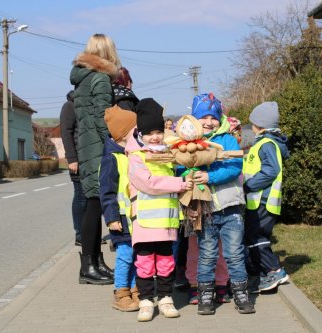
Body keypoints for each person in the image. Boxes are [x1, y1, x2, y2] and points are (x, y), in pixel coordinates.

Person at [126, 98, 193, 322]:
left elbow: (180, 171)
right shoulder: (136, 157)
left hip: (166, 221)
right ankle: (146, 301)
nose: (154, 137)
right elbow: (148, 183)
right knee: (144, 264)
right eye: (149, 133)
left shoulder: (168, 156)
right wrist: (179, 184)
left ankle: (165, 299)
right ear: (141, 134)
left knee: (166, 262)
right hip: (144, 221)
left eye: (158, 131)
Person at [187, 93, 255, 315]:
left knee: (234, 253)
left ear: (220, 118)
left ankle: (241, 293)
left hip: (231, 208)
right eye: (203, 117)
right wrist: (190, 172)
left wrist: (209, 177)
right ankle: (206, 295)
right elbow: (181, 167)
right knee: (206, 254)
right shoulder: (187, 143)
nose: (209, 121)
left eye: (213, 117)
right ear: (195, 119)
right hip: (205, 211)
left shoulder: (226, 139)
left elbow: (234, 167)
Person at [70, 33, 120, 285]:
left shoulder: (82, 78)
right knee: (94, 205)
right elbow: (104, 119)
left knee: (94, 204)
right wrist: (117, 143)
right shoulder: (100, 78)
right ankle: (87, 267)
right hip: (98, 149)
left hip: (86, 148)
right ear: (108, 53)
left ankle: (95, 262)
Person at [243, 101, 290, 292]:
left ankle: (274, 270)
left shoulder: (266, 144)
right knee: (254, 236)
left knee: (256, 237)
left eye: (253, 122)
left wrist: (248, 185)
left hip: (262, 199)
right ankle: (265, 275)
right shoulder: (266, 143)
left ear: (259, 124)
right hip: (259, 200)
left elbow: (271, 170)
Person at [100, 106, 139, 311]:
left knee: (135, 254)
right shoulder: (111, 159)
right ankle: (120, 292)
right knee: (125, 255)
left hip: (135, 217)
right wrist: (111, 218)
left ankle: (134, 290)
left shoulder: (132, 153)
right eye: (135, 131)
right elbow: (106, 192)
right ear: (123, 135)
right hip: (121, 218)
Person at [59, 90, 86, 246]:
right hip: (77, 159)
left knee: (90, 199)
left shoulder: (88, 105)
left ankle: (88, 233)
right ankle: (80, 234)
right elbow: (66, 133)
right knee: (81, 195)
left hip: (89, 158)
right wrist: (72, 158)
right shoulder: (70, 106)